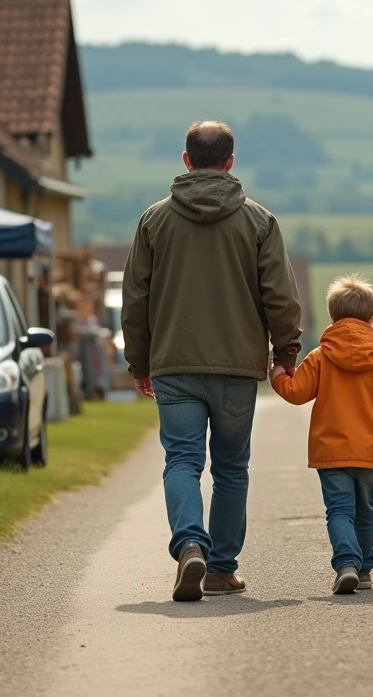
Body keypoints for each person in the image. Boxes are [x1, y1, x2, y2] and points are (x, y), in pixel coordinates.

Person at [121, 120, 303, 602]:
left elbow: (135, 298)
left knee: (181, 459)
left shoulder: (153, 221)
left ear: (186, 161)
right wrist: (285, 354)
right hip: (237, 367)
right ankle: (221, 569)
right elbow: (280, 297)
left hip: (174, 365)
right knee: (230, 468)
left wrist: (139, 362)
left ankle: (189, 545)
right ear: (230, 162)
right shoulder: (259, 221)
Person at [270, 275, 373, 594]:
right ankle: (363, 569)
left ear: (333, 316)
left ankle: (347, 563)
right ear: (371, 318)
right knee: (365, 510)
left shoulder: (320, 357)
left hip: (331, 451)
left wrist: (277, 376)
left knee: (339, 510)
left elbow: (297, 393)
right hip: (371, 451)